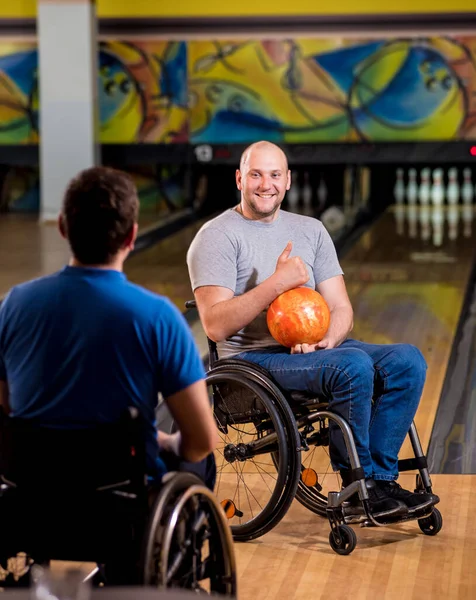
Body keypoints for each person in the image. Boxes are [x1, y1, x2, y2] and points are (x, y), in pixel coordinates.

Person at [187, 140, 439, 522]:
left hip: (314, 351)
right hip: (251, 363)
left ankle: (382, 481)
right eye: (255, 174)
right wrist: (276, 283)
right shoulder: (216, 236)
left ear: (288, 181)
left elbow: (340, 308)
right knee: (351, 365)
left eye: (274, 175)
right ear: (240, 178)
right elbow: (215, 324)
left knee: (407, 361)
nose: (265, 184)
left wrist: (327, 341)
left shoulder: (311, 230)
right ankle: (359, 484)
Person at [0, 166, 218, 491]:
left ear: (62, 227)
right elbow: (200, 440)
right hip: (120, 505)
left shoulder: (13, 305)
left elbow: (6, 407)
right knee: (203, 458)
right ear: (132, 236)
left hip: (32, 499)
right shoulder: (158, 317)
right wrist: (170, 445)